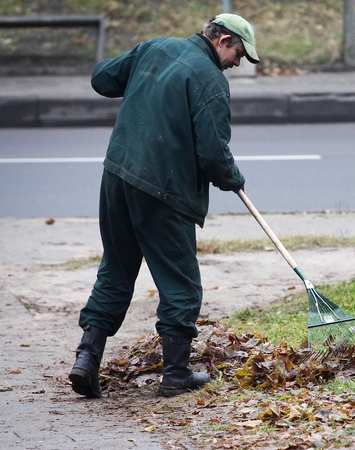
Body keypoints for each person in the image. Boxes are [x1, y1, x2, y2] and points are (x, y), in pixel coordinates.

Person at [68, 13, 259, 398]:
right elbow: (213, 153)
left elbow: (103, 78)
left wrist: (143, 72)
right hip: (164, 190)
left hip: (118, 176)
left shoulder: (154, 47)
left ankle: (86, 360)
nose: (237, 63)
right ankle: (176, 375)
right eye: (238, 54)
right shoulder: (210, 81)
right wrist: (233, 178)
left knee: (116, 269)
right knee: (181, 283)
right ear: (222, 40)